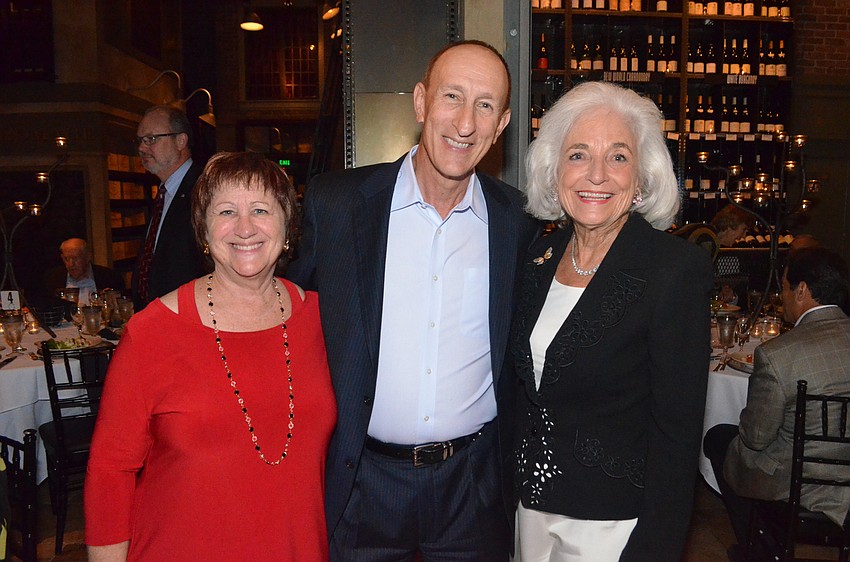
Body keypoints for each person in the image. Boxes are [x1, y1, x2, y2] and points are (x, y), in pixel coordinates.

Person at [286, 40, 539, 561]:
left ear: (502, 124)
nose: (465, 123)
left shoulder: (518, 222)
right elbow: (282, 313)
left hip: (472, 488)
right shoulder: (338, 206)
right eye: (452, 96)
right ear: (421, 102)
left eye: (485, 105)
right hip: (362, 485)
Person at [85, 152, 337, 562]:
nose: (245, 228)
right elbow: (109, 472)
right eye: (226, 211)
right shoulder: (152, 332)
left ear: (288, 225)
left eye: (261, 210)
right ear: (203, 230)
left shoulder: (322, 320)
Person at [511, 81, 713, 561]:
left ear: (641, 178)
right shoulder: (538, 257)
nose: (597, 174)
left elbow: (677, 433)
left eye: (618, 157)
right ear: (554, 171)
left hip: (612, 524)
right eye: (578, 155)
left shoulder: (673, 269)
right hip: (528, 509)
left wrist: (657, 545)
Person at [704, 247, 850, 561]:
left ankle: (760, 549)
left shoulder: (779, 354)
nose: (782, 295)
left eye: (784, 287)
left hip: (801, 482)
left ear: (802, 290)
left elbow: (756, 437)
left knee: (719, 439)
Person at [131, 105, 205, 310]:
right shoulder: (165, 192)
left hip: (188, 314)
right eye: (140, 140)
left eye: (151, 139)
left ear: (180, 141)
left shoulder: (204, 189)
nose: (142, 148)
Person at [43, 238, 125, 302]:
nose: (71, 264)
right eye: (66, 259)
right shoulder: (52, 279)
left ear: (87, 257)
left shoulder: (110, 277)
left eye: (75, 258)